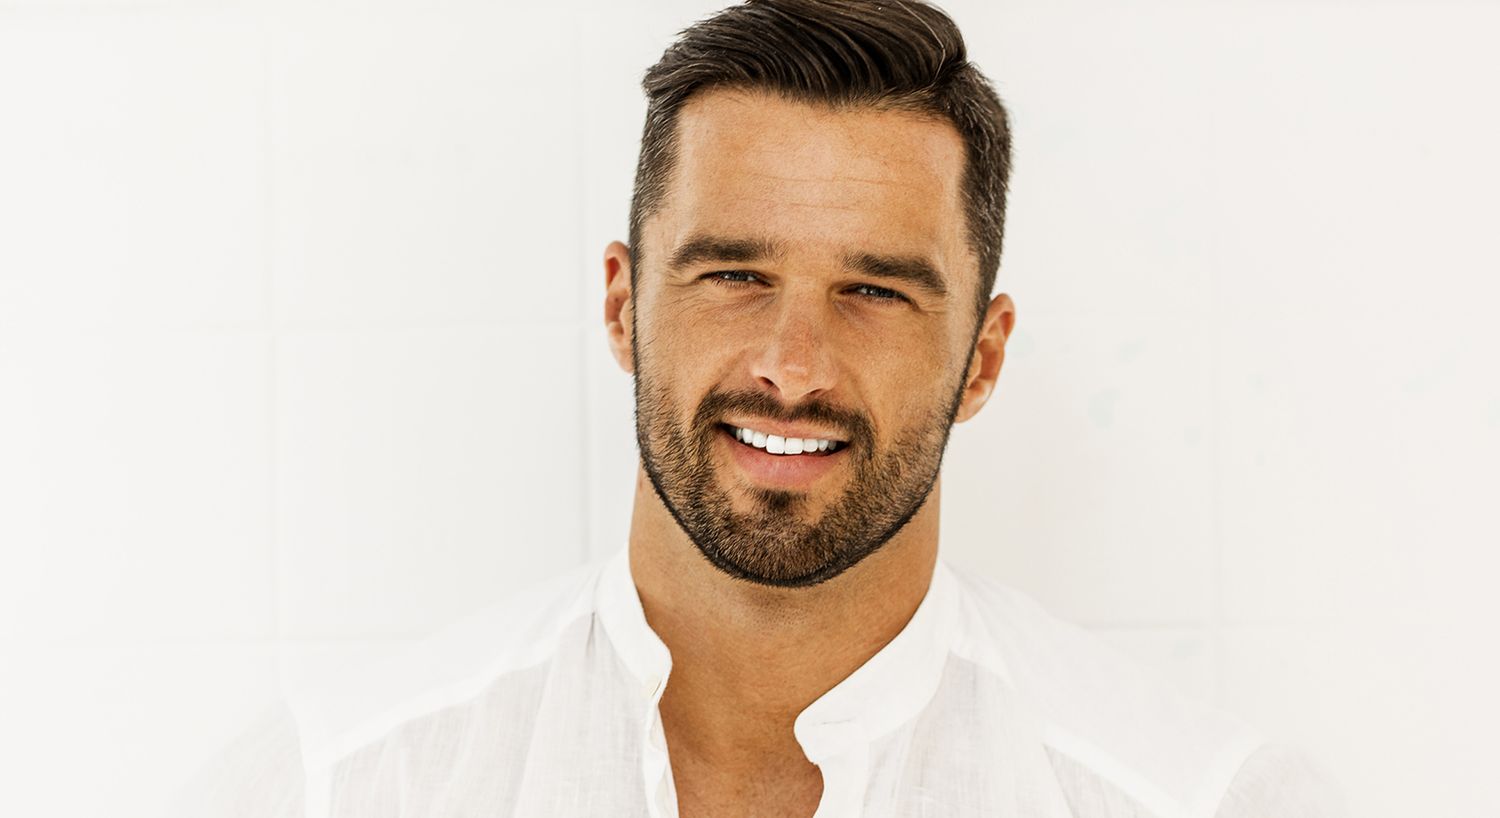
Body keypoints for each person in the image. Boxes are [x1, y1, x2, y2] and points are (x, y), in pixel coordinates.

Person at [174, 1, 1348, 816]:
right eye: (734, 274)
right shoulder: (335, 788)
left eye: (875, 290)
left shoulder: (1202, 798)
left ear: (983, 357)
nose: (792, 365)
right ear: (623, 305)